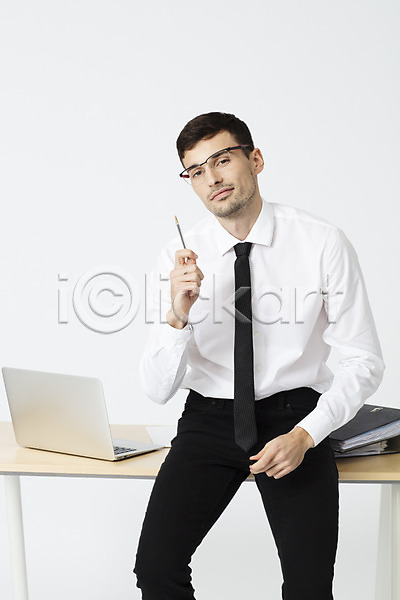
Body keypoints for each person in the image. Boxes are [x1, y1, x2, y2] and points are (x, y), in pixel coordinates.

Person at [134, 112, 384, 599]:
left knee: (309, 587)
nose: (212, 179)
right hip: (209, 419)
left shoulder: (321, 242)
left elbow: (363, 359)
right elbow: (156, 389)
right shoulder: (179, 257)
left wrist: (307, 434)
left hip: (294, 418)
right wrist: (177, 314)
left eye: (222, 160)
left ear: (256, 160)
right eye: (196, 171)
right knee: (156, 569)